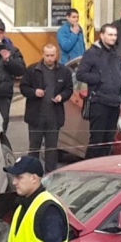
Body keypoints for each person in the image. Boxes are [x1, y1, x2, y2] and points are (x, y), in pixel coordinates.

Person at [19, 44, 74, 173]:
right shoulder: (32, 70)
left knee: (51, 149)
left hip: (54, 117)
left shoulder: (64, 71)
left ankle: (50, 174)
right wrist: (34, 92)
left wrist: (61, 96)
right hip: (35, 117)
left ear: (57, 55)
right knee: (34, 148)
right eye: (47, 55)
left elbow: (69, 89)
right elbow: (23, 88)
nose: (49, 58)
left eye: (52, 55)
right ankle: (32, 174)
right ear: (42, 54)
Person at [76, 23, 121, 159]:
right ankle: (89, 169)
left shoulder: (116, 53)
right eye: (110, 35)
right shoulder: (92, 53)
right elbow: (80, 74)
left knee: (108, 141)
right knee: (96, 141)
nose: (113, 38)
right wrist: (99, 78)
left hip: (114, 102)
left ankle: (104, 170)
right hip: (99, 102)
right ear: (102, 35)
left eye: (115, 35)